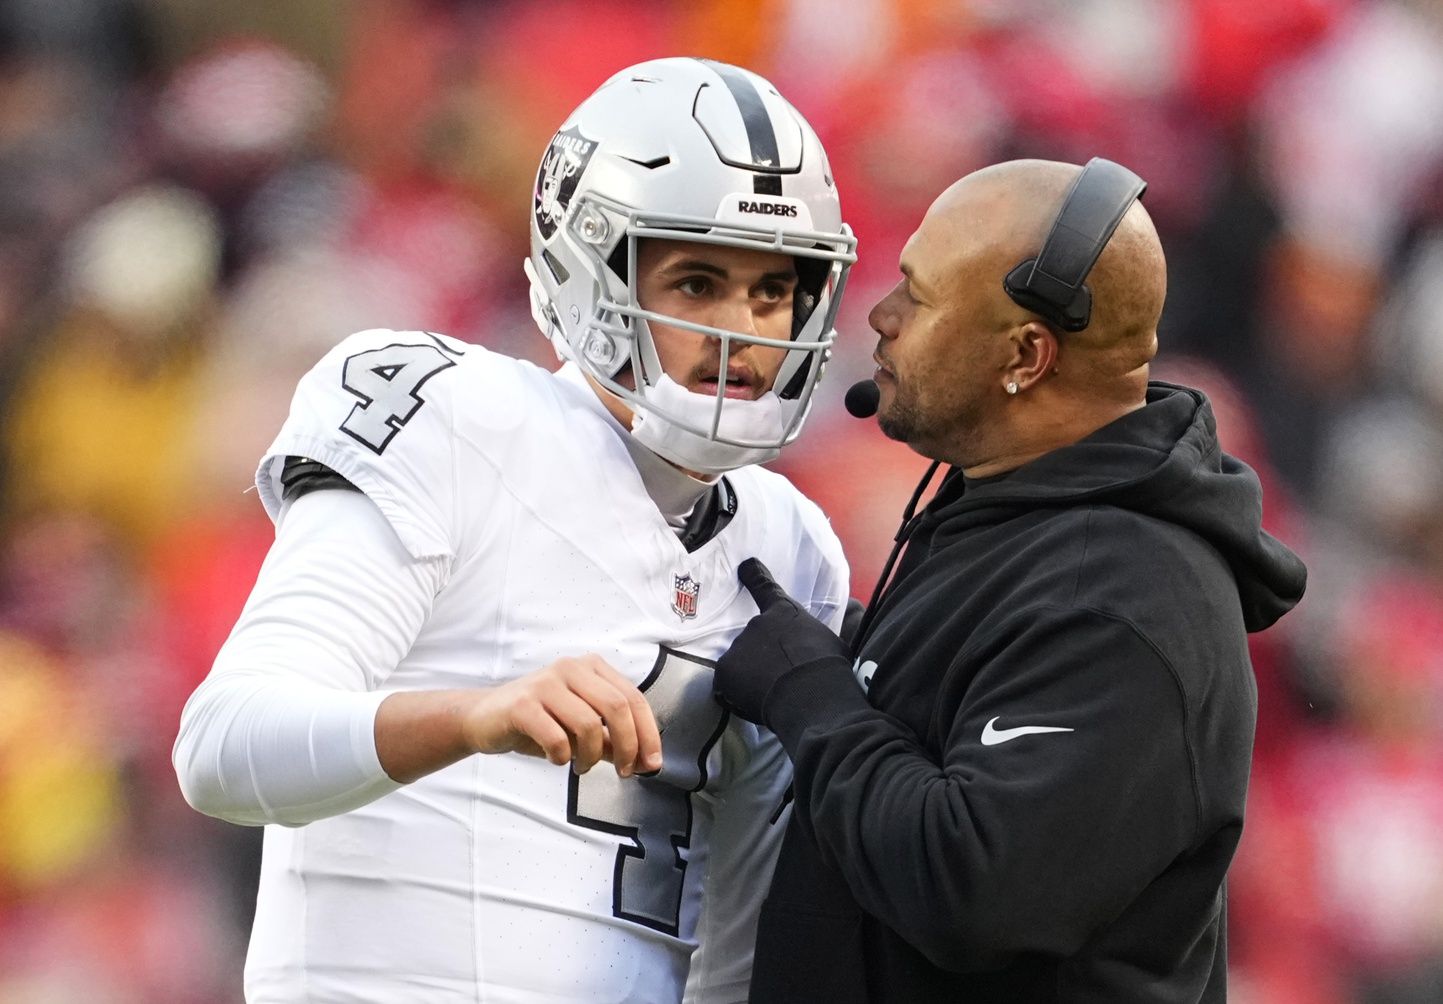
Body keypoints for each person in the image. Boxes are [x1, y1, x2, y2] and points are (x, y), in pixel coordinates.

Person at [172, 57, 856, 1004]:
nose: (743, 331)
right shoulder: (458, 418)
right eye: (697, 282)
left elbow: (734, 923)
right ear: (591, 267)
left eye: (773, 291)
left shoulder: (790, 546)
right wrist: (473, 715)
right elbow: (223, 751)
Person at [712, 158, 1308, 1002]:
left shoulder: (1122, 595)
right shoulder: (1015, 512)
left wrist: (811, 696)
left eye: (916, 297)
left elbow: (970, 886)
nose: (879, 317)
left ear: (1026, 354)